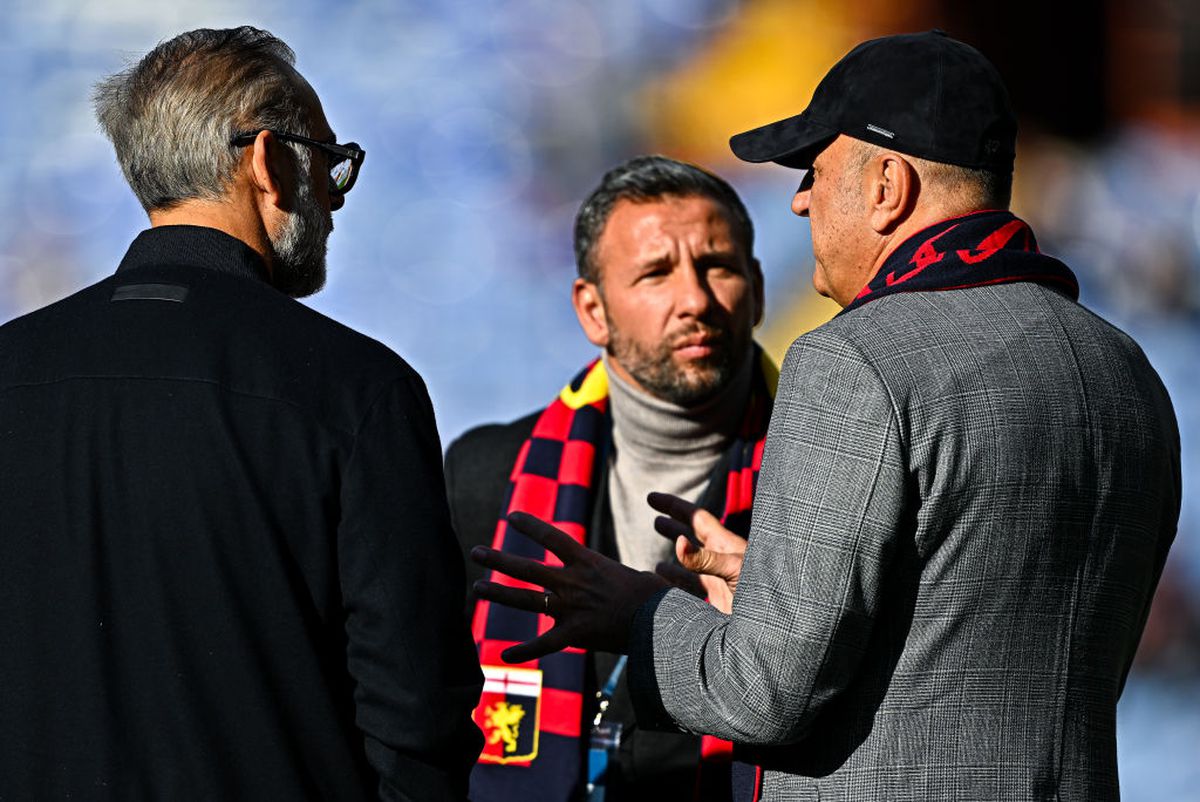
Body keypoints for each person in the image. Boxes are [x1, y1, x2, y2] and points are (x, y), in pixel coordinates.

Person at [472, 30, 1182, 800]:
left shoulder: (855, 360)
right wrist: (777, 591)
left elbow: (764, 694)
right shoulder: (1125, 370)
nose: (801, 199)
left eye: (815, 172)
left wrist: (637, 613)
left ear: (887, 187)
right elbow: (983, 640)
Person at [0, 27, 482, 801]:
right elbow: (415, 711)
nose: (332, 196)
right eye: (328, 161)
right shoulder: (359, 389)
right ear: (266, 160)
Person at [445, 155, 773, 801]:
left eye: (719, 267)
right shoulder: (487, 473)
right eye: (656, 273)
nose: (696, 300)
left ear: (758, 289)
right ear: (592, 310)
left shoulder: (829, 470)